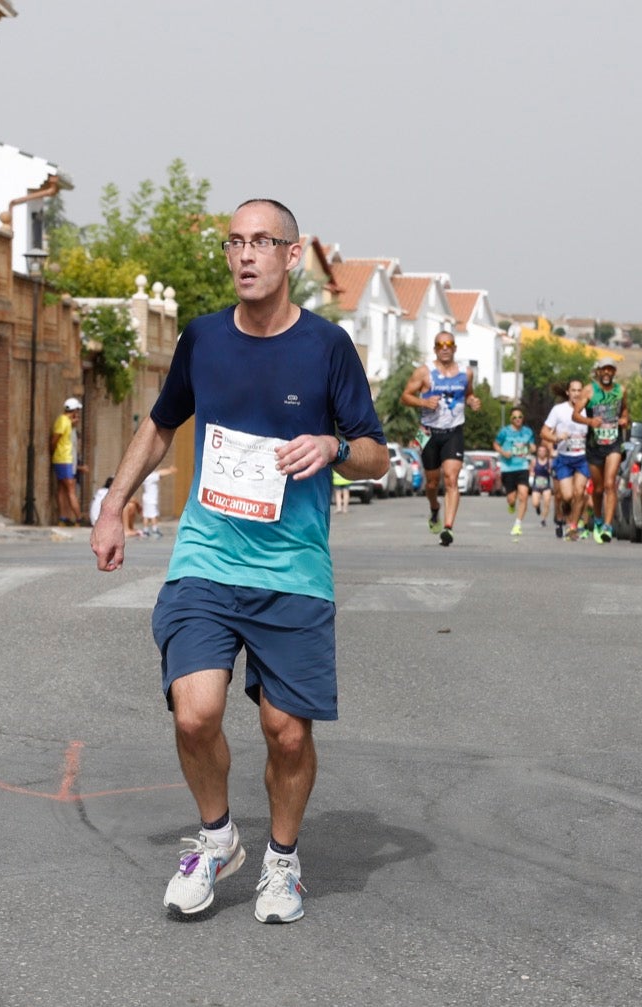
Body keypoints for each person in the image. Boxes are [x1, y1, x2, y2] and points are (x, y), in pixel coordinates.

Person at [90, 198, 387, 925]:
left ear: (292, 256)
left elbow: (377, 455)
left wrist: (334, 449)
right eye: (235, 242)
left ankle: (281, 860)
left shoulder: (326, 348)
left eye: (262, 242)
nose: (246, 255)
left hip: (292, 568)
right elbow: (160, 427)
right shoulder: (203, 340)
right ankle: (218, 838)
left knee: (286, 731)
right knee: (196, 714)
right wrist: (113, 503)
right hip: (206, 557)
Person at [402, 330, 481, 546]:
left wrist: (473, 401)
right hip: (428, 432)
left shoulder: (466, 373)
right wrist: (423, 403)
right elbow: (405, 396)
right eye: (440, 344)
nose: (444, 347)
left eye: (449, 344)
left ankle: (448, 528)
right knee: (432, 483)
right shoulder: (424, 372)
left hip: (453, 431)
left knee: (451, 479)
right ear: (435, 348)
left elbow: (468, 394)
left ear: (455, 348)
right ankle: (434, 508)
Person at [579, 357, 631, 543]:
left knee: (610, 484)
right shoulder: (589, 390)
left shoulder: (621, 391)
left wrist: (625, 421)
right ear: (599, 372)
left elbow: (625, 412)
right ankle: (599, 519)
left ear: (614, 372)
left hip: (614, 443)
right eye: (604, 369)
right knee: (599, 488)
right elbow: (575, 414)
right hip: (594, 444)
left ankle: (608, 527)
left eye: (611, 369)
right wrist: (589, 421)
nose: (607, 372)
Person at [541, 379, 592, 540]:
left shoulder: (588, 410)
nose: (576, 394)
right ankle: (565, 511)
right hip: (564, 458)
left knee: (579, 492)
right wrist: (556, 438)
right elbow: (544, 432)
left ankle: (573, 526)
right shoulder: (558, 410)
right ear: (568, 393)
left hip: (583, 458)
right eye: (573, 390)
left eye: (579, 390)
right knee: (567, 496)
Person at [494, 407, 535, 536]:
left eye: (520, 417)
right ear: (511, 419)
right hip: (508, 468)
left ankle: (518, 524)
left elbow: (533, 446)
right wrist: (503, 452)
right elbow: (495, 444)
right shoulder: (504, 432)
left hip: (522, 466)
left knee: (523, 494)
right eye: (515, 417)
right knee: (511, 499)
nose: (518, 419)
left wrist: (532, 448)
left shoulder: (528, 432)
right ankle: (511, 505)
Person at [52, 398, 84, 526]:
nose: (78, 413)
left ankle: (63, 518)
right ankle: (78, 518)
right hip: (64, 459)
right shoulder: (63, 421)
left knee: (62, 488)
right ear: (74, 410)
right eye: (77, 410)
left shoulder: (67, 421)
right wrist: (52, 451)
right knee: (71, 489)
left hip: (64, 459)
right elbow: (55, 439)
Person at [140, 465, 177, 537]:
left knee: (146, 515)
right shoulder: (150, 477)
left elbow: (158, 473)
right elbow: (160, 474)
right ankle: (155, 530)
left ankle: (145, 530)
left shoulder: (145, 477)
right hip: (151, 499)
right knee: (153, 515)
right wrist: (170, 471)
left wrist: (169, 470)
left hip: (147, 498)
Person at [529, 443, 554, 526]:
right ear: (537, 452)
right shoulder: (534, 461)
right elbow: (531, 471)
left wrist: (551, 471)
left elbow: (552, 472)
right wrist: (531, 477)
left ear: (546, 452)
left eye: (544, 451)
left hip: (546, 485)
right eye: (540, 451)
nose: (542, 452)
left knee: (547, 502)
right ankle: (537, 507)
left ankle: (543, 519)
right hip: (536, 485)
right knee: (535, 503)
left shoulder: (549, 461)